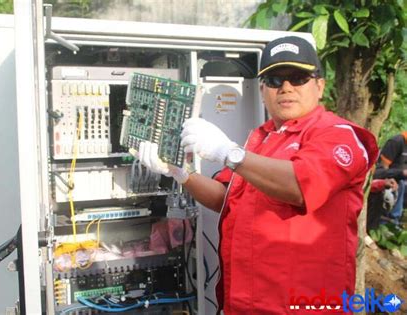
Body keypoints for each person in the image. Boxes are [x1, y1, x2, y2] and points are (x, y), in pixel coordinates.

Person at [134, 36, 379, 314]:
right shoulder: (261, 139)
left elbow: (299, 185)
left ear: (319, 86)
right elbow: (224, 198)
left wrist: (229, 152)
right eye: (274, 80)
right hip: (244, 304)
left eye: (298, 78)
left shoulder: (338, 136)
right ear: (262, 89)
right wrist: (180, 173)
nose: (286, 88)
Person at [374, 132, 407, 226]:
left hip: (402, 177)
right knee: (401, 184)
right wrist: (389, 179)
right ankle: (391, 221)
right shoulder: (396, 142)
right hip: (389, 177)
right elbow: (382, 169)